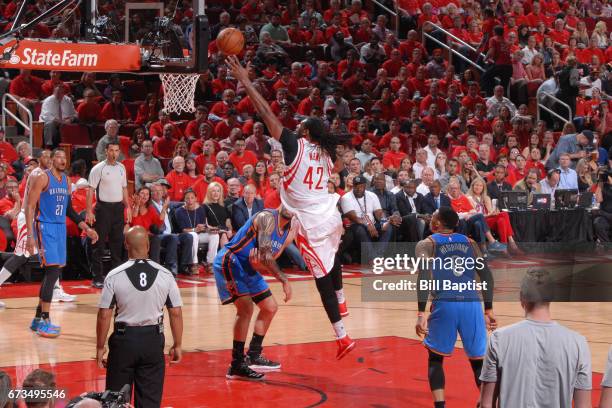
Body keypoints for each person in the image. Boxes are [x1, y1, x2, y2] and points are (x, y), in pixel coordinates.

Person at [227, 55, 354, 358]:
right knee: (331, 256)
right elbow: (339, 164)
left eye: (301, 126)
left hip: (311, 221)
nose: (296, 128)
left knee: (320, 277)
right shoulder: (326, 153)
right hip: (329, 212)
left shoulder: (294, 145)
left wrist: (246, 81)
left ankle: (342, 337)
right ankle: (343, 298)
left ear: (306, 134)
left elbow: (266, 113)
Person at [415, 207, 496, 408]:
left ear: (437, 224)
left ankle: (440, 406)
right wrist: (488, 310)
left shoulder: (426, 244)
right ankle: (490, 404)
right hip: (472, 304)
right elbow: (486, 276)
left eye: (433, 217)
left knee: (435, 359)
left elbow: (424, 276)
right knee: (478, 362)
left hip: (446, 303)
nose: (430, 219)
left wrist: (420, 313)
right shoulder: (470, 242)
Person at [97, 226, 183, 408]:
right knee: (150, 402)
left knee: (116, 401)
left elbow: (104, 314)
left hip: (123, 342)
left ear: (126, 245)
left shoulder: (114, 275)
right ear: (148, 245)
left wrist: (100, 346)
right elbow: (175, 312)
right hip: (152, 341)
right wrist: (178, 344)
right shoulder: (166, 275)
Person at [480, 268, 592, 408]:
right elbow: (584, 406)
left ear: (522, 297)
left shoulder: (498, 339)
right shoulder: (578, 343)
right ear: (551, 297)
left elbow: (486, 404)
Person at [214, 206, 294, 380]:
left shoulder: (290, 230)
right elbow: (266, 254)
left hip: (249, 267)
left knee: (270, 307)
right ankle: (236, 364)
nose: (289, 208)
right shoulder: (267, 217)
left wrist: (259, 266)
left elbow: (269, 260)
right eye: (287, 202)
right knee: (245, 309)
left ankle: (254, 355)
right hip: (231, 260)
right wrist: (284, 280)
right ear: (281, 202)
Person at [24, 149, 98, 337]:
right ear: (51, 160)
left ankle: (37, 319)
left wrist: (86, 228)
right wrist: (31, 235)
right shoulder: (42, 177)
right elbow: (30, 206)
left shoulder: (66, 181)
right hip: (45, 227)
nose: (62, 160)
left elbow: (69, 210)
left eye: (65, 158)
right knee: (52, 271)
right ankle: (45, 320)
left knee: (53, 272)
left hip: (59, 228)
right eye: (58, 157)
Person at [0, 151, 78, 308]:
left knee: (52, 256)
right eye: (46, 157)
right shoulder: (38, 174)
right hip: (28, 219)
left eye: (51, 157)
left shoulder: (52, 175)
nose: (49, 160)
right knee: (21, 256)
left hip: (41, 220)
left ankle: (55, 289)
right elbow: (31, 205)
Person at [87, 141, 131, 289]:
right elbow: (90, 190)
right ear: (106, 151)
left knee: (116, 244)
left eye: (116, 150)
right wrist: (88, 211)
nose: (114, 153)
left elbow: (124, 188)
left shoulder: (121, 167)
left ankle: (116, 277)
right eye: (111, 150)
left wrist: (128, 206)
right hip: (103, 209)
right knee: (98, 244)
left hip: (118, 209)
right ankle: (97, 278)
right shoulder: (98, 168)